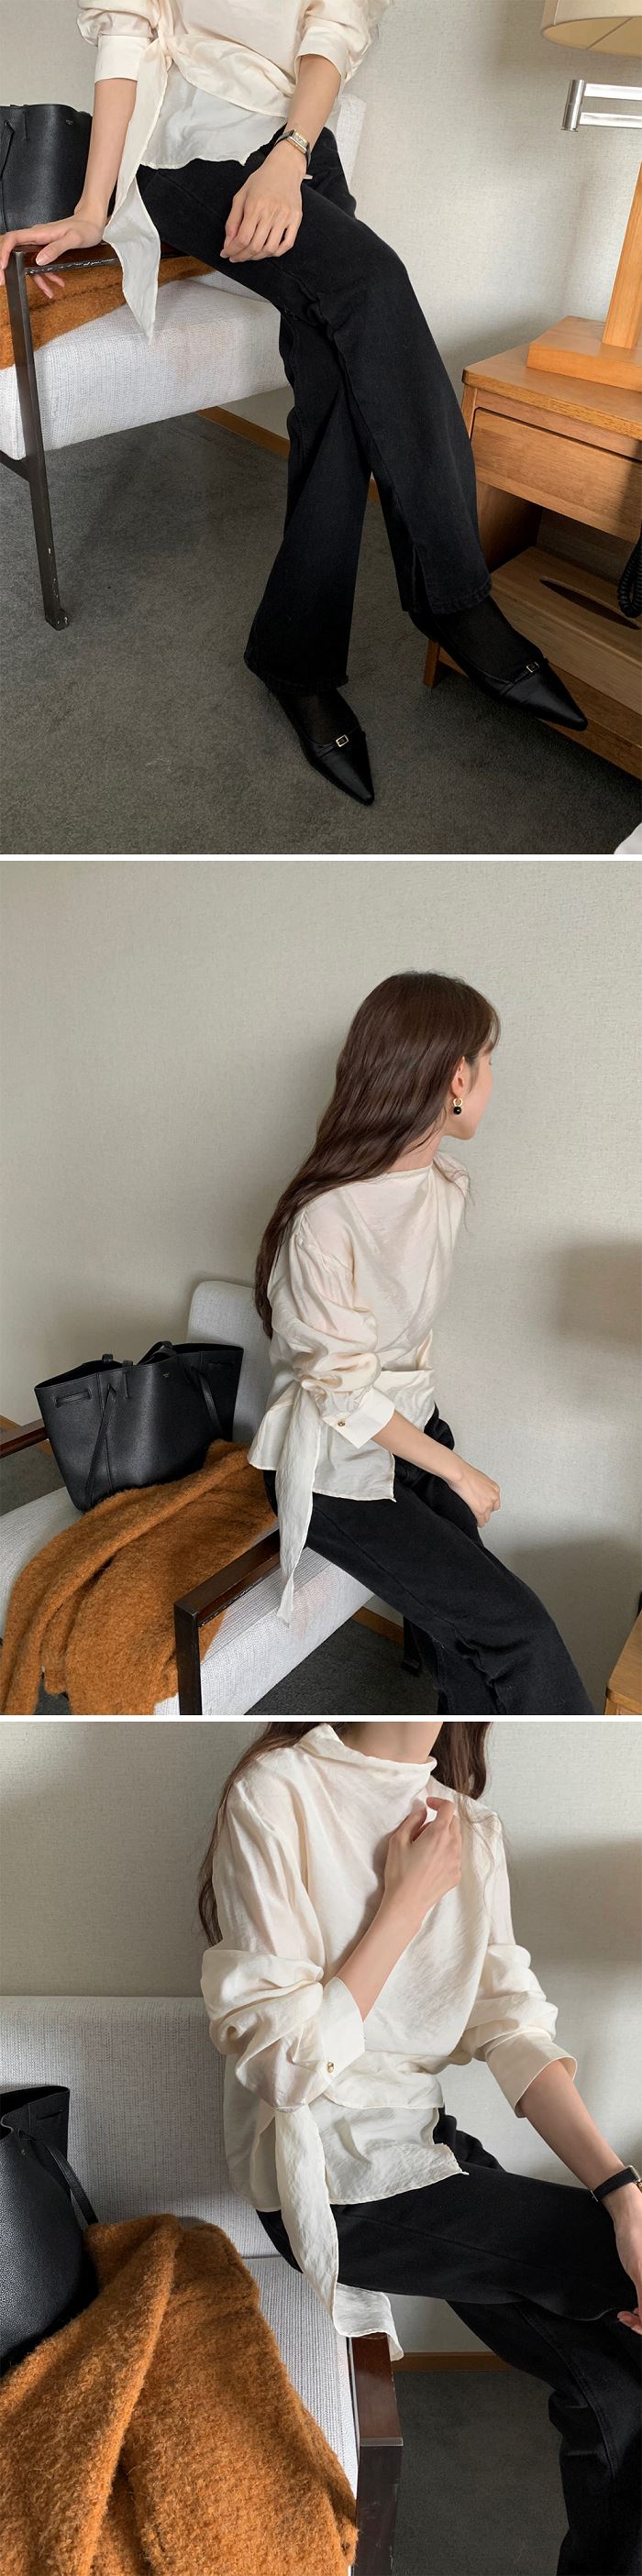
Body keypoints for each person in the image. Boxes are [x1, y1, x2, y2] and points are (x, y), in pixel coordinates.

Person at [0, 1, 587, 808]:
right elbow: (126, 36)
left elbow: (332, 32)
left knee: (340, 381)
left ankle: (296, 666)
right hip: (189, 152)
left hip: (302, 150)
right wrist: (94, 209)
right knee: (375, 285)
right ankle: (457, 603)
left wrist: (291, 152)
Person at [198, 1719, 642, 2576]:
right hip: (331, 2180)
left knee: (615, 2395)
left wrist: (621, 2191)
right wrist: (404, 1902)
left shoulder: (470, 1827)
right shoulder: (278, 1791)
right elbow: (284, 2066)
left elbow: (511, 2029)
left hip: (427, 2149)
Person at [248, 966, 594, 1713]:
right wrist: (457, 1472)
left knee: (475, 1637)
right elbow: (340, 1393)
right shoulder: (325, 1220)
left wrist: (438, 1457)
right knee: (522, 1633)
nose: (493, 1078)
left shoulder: (446, 1187)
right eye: (489, 1059)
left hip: (411, 1434)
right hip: (334, 1470)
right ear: (457, 1078)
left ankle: (456, 1754)